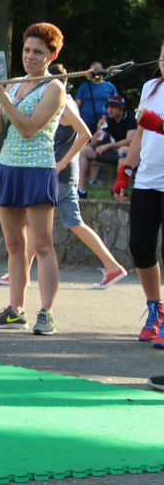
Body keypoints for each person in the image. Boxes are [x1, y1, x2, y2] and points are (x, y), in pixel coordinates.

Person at [0, 64, 128, 289]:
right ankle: (17, 270)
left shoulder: (57, 99)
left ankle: (112, 266)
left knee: (72, 222)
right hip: (51, 171)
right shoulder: (59, 98)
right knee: (37, 227)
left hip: (56, 173)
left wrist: (61, 163)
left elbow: (85, 133)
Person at [0, 23, 66, 335]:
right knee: (15, 245)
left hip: (37, 170)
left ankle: (47, 313)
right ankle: (15, 310)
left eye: (38, 52)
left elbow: (28, 128)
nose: (30, 56)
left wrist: (2, 94)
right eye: (27, 49)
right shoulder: (14, 83)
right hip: (8, 167)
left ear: (52, 55)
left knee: (42, 245)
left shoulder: (55, 88)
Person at [113, 42, 164, 349]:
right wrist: (126, 172)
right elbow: (141, 134)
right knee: (140, 247)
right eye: (162, 54)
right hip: (148, 181)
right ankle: (156, 309)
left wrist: (158, 124)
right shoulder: (150, 87)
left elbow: (153, 125)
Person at [77, 94, 136, 198]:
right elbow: (95, 143)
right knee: (85, 150)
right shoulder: (109, 120)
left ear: (121, 108)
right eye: (108, 107)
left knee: (123, 150)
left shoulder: (131, 118)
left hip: (131, 155)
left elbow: (130, 141)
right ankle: (81, 191)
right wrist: (100, 128)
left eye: (113, 107)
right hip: (114, 154)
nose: (110, 110)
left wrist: (108, 146)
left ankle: (120, 190)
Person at [74, 61, 118, 133]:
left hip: (105, 123)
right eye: (93, 70)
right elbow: (77, 105)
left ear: (103, 70)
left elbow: (116, 105)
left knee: (104, 143)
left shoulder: (110, 87)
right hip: (86, 124)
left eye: (97, 70)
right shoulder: (84, 87)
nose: (95, 72)